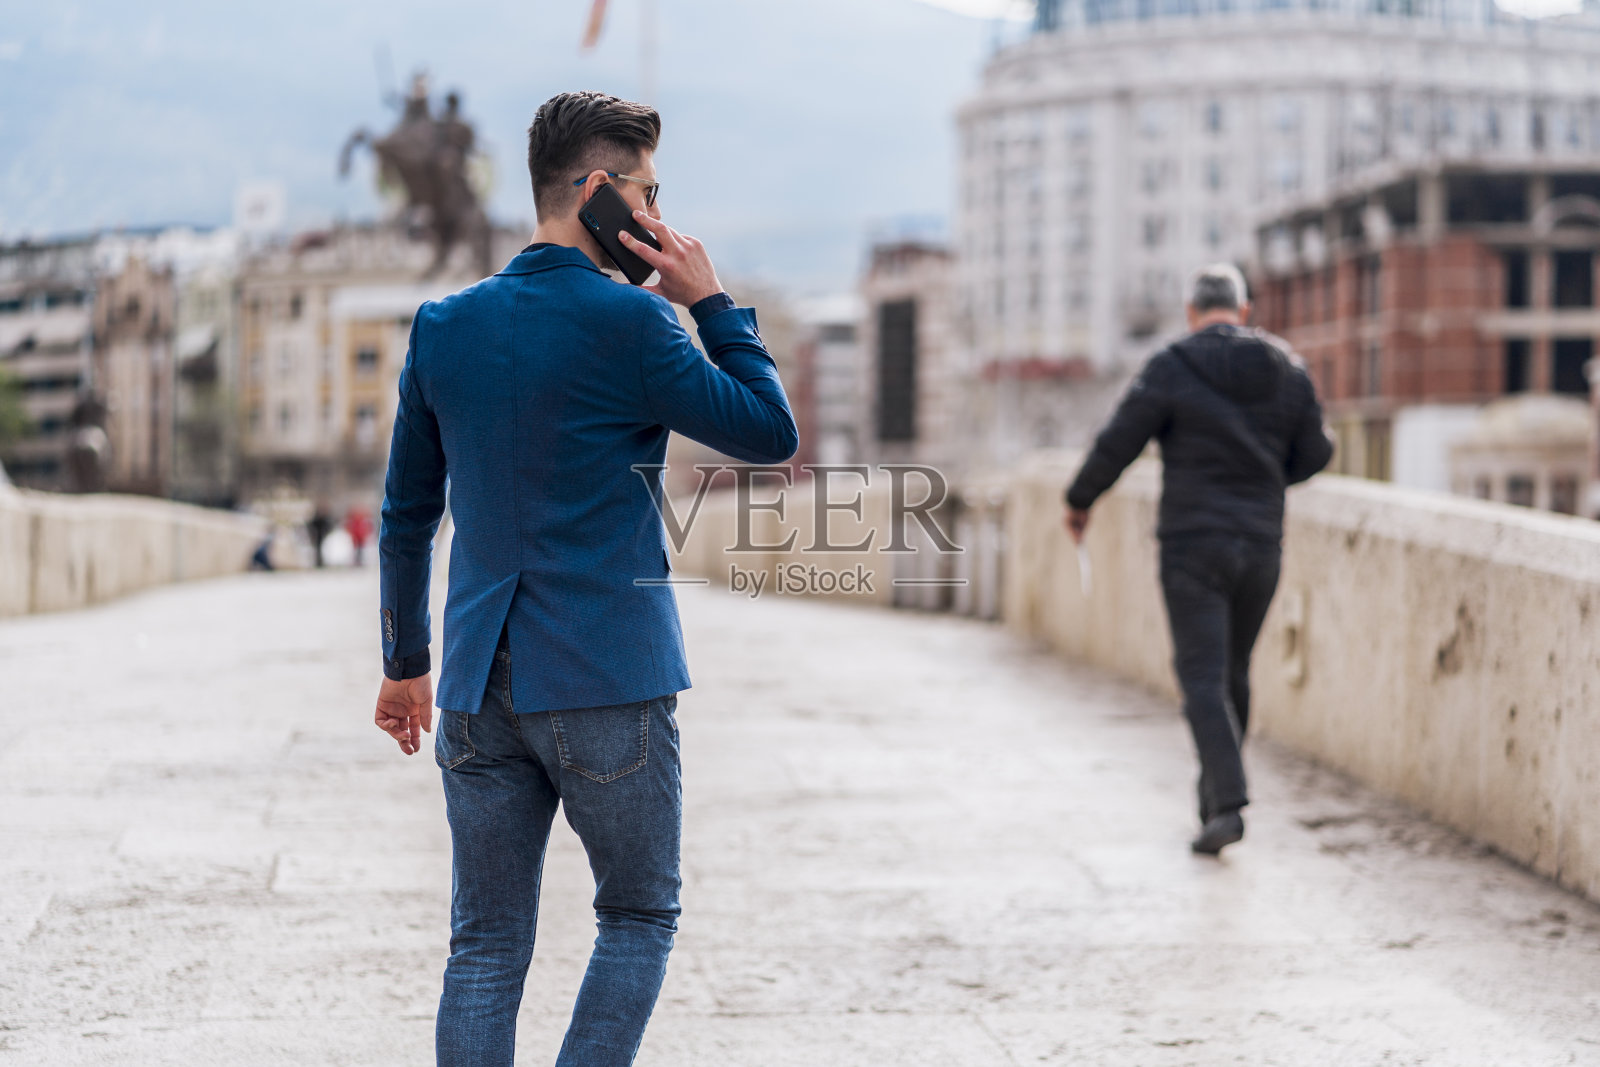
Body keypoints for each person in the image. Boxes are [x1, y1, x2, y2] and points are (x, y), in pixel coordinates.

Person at [372, 91, 798, 1066]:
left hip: (479, 683)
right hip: (607, 672)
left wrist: (404, 663)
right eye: (648, 193)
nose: (658, 218)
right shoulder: (636, 324)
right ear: (600, 192)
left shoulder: (443, 326)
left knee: (482, 944)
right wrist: (710, 301)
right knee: (640, 912)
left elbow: (405, 514)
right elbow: (768, 430)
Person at [1062, 263, 1332, 856]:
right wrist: (1265, 480)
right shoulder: (1287, 367)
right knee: (1232, 670)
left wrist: (1080, 499)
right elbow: (1317, 451)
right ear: (1242, 310)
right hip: (1261, 542)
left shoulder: (1172, 365)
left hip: (1192, 542)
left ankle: (1228, 802)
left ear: (1191, 311)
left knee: (1201, 674)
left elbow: (1119, 442)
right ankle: (1215, 804)